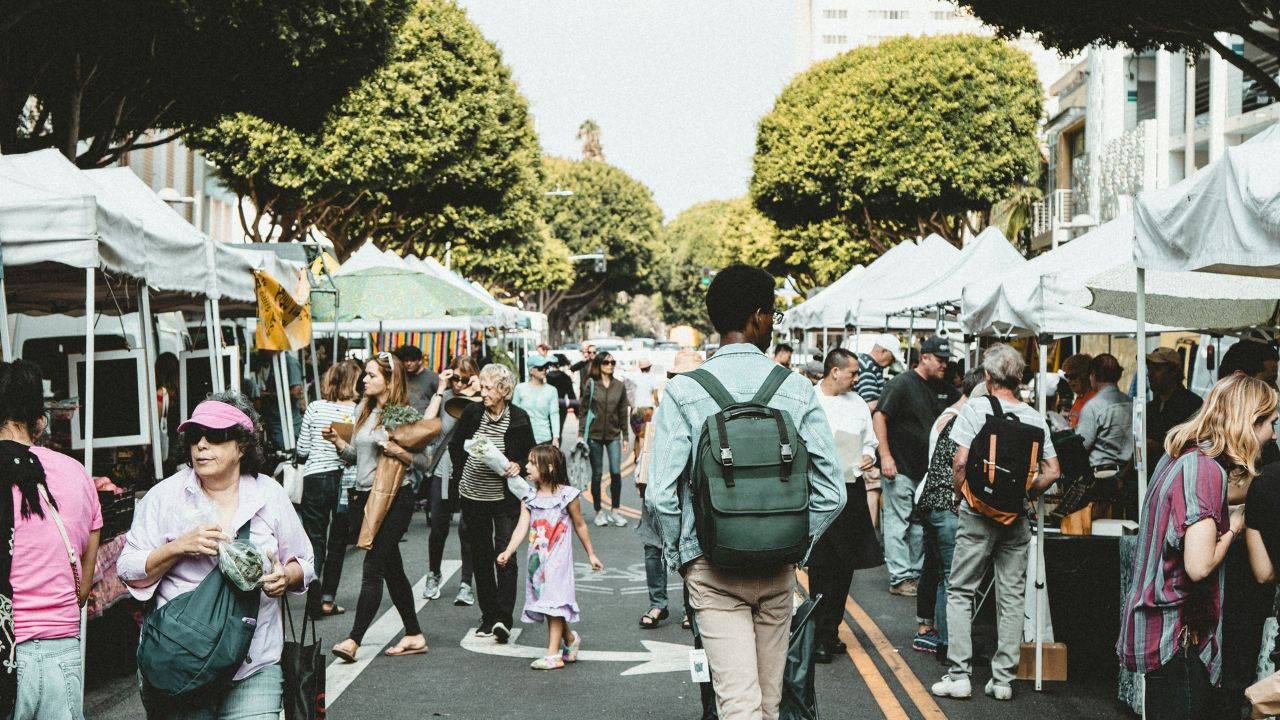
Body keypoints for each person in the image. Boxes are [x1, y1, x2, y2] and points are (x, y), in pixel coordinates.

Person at [649, 263, 844, 720]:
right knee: (769, 704)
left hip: (712, 568)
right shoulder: (796, 389)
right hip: (777, 569)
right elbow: (832, 492)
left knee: (737, 704)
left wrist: (686, 553)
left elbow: (661, 494)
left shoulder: (685, 391)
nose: (771, 326)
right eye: (772, 316)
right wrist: (796, 540)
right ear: (758, 316)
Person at [119, 393, 314, 717]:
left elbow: (304, 563)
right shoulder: (165, 497)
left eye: (216, 436)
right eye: (195, 436)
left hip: (255, 665)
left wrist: (286, 576)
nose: (202, 446)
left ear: (242, 446)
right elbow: (127, 568)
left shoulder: (269, 495)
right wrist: (178, 547)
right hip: (181, 663)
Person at [1117, 374, 1277, 719]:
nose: (1274, 435)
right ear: (1249, 423)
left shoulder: (1181, 457)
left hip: (1162, 629)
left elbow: (1220, 498)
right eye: (1271, 424)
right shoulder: (1206, 471)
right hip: (1180, 638)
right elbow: (1199, 565)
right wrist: (1233, 529)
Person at [933, 344, 1061, 702]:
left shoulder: (975, 408)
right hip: (1016, 517)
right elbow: (1054, 470)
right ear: (1020, 378)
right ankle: (1002, 679)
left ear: (987, 376)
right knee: (1011, 596)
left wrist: (963, 497)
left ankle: (959, 675)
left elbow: (959, 463)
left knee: (960, 591)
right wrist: (1024, 493)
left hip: (978, 512)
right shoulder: (1036, 417)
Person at [1, 360, 101, 720]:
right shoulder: (77, 474)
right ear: (39, 422)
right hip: (63, 656)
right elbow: (83, 589)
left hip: (4, 652)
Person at [328, 353, 426, 663]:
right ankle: (414, 634)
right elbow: (356, 458)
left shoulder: (405, 415)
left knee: (373, 568)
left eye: (371, 375)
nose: (364, 380)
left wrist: (397, 449)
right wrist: (338, 444)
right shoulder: (363, 410)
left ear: (389, 380)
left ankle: (353, 640)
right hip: (364, 498)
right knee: (392, 568)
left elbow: (424, 462)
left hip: (396, 499)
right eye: (365, 375)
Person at [497, 444, 603, 670]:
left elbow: (580, 525)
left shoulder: (567, 495)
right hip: (537, 563)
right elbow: (521, 527)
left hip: (558, 561)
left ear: (549, 467)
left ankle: (553, 655)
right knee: (550, 605)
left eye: (532, 463)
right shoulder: (529, 496)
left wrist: (591, 555)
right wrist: (509, 550)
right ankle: (571, 641)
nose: (526, 466)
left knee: (554, 602)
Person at [450, 363, 536, 644]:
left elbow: (529, 455)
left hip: (504, 499)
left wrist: (517, 465)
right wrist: (464, 469)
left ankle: (503, 618)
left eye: (488, 388)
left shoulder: (519, 418)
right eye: (482, 387)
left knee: (505, 555)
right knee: (481, 556)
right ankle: (488, 615)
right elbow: (456, 445)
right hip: (473, 494)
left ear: (503, 391)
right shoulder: (473, 412)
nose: (482, 393)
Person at [809, 349, 882, 663]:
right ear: (834, 371)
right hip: (819, 492)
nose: (857, 378)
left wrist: (869, 455)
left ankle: (831, 628)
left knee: (845, 567)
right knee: (822, 566)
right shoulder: (810, 401)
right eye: (853, 373)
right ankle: (820, 633)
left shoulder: (858, 405)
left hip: (851, 489)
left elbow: (870, 440)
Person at [873, 335, 957, 597]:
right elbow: (879, 416)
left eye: (946, 360)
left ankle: (914, 573)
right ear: (925, 358)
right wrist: (885, 455)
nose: (944, 365)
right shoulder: (901, 384)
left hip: (928, 471)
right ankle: (900, 576)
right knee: (899, 523)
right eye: (940, 360)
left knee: (920, 525)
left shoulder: (943, 388)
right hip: (900, 466)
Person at [911, 368, 984, 656]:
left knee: (942, 574)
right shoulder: (964, 419)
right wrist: (957, 498)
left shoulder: (956, 416)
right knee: (953, 577)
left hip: (931, 501)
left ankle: (942, 638)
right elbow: (960, 465)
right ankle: (951, 645)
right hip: (944, 503)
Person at [637, 351, 701, 631]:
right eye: (678, 377)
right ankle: (658, 603)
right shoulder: (663, 408)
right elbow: (649, 446)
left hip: (690, 489)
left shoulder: (705, 408)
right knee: (653, 548)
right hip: (658, 484)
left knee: (692, 549)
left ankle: (692, 607)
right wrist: (642, 476)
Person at [295, 361, 360, 619]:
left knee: (315, 539)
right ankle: (327, 600)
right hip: (345, 482)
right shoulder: (360, 411)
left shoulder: (314, 407)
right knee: (338, 541)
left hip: (315, 478)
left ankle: (313, 585)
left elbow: (302, 450)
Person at [419, 357, 479, 605]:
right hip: (443, 468)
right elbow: (428, 424)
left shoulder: (481, 401)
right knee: (438, 528)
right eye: (455, 377)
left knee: (468, 529)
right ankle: (433, 574)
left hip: (472, 470)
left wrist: (478, 391)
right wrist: (441, 388)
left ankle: (466, 583)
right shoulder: (444, 398)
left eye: (464, 379)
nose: (459, 383)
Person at [583, 351, 630, 528]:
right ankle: (598, 512)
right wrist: (581, 434)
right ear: (599, 365)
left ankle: (615, 510)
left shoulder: (619, 386)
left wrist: (625, 435)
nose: (610, 365)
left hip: (613, 435)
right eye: (606, 362)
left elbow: (623, 412)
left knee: (616, 473)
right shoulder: (592, 385)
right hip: (594, 435)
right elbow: (583, 411)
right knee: (596, 474)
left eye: (612, 362)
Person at [1076, 353, 1133, 479]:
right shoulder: (1131, 403)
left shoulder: (1093, 406)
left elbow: (1082, 446)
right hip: (1128, 473)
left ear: (1094, 375)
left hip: (1102, 475)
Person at [1146, 347, 1203, 464]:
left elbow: (1195, 447)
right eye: (1149, 368)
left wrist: (1158, 447)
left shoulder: (1191, 404)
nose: (1150, 374)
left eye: (1157, 368)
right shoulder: (1151, 407)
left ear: (1174, 371)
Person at [513, 354, 561, 447]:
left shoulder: (552, 390)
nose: (544, 370)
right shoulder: (520, 388)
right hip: (523, 438)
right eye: (540, 367)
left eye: (546, 367)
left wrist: (556, 437)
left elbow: (554, 414)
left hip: (544, 439)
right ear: (531, 370)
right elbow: (514, 414)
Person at [855, 333, 903, 411]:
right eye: (892, 358)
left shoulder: (869, 364)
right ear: (883, 351)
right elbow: (871, 405)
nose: (892, 362)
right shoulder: (868, 367)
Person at [628, 359, 660, 462]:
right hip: (647, 409)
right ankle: (642, 460)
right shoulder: (653, 379)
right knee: (644, 435)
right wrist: (658, 407)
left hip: (636, 409)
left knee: (637, 435)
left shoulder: (635, 378)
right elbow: (655, 398)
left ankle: (637, 456)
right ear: (649, 367)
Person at [394, 344, 440, 414]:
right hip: (402, 418)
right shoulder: (402, 377)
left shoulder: (433, 377)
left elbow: (440, 399)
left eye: (412, 360)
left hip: (424, 420)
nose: (408, 363)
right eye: (406, 360)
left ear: (420, 361)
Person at [1060, 353, 1094, 428]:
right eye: (1066, 376)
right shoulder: (1080, 396)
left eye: (1072, 376)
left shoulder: (1093, 400)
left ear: (1085, 375)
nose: (1068, 380)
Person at [546, 354, 577, 435]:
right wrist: (576, 412)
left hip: (547, 406)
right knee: (558, 432)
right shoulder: (565, 377)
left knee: (547, 431)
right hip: (561, 407)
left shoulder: (546, 377)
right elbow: (571, 396)